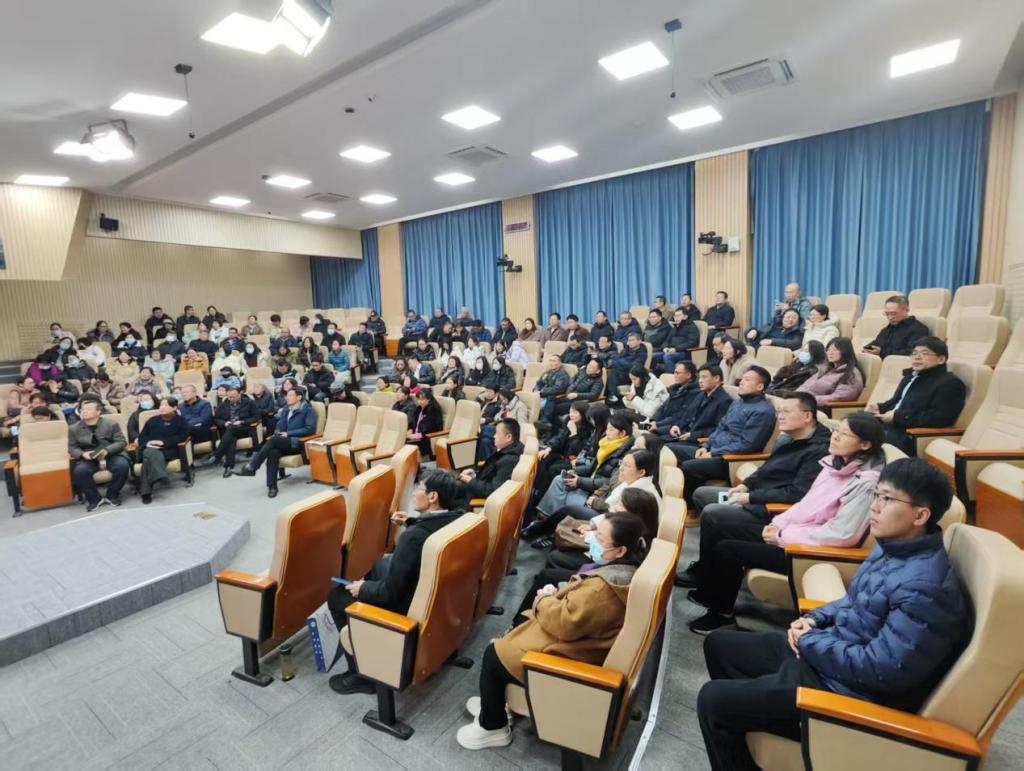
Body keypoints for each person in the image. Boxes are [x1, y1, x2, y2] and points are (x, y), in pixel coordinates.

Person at [696, 458, 969, 771]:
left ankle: (779, 720)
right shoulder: (894, 545)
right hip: (829, 657)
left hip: (847, 691)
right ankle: (759, 720)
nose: (874, 506)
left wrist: (809, 641)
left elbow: (883, 670)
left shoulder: (925, 588)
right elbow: (853, 601)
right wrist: (816, 619)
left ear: (920, 515)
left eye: (887, 499)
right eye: (876, 495)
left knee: (713, 701)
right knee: (719, 644)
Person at [456, 514, 647, 750]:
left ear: (620, 551)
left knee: (495, 653)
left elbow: (564, 623)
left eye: (600, 538)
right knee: (515, 632)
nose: (592, 540)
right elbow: (582, 604)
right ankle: (495, 704)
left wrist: (544, 600)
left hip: (573, 653)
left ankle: (492, 726)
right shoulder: (624, 570)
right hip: (582, 640)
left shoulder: (603, 589)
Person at [687, 411, 885, 634]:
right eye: (836, 430)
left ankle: (721, 615)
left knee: (727, 549)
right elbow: (805, 504)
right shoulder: (834, 464)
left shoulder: (866, 483)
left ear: (865, 444)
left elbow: (842, 534)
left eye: (845, 434)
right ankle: (707, 591)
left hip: (807, 552)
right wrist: (779, 524)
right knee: (721, 526)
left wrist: (783, 537)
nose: (835, 437)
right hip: (792, 534)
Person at [327, 470, 467, 695]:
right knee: (378, 566)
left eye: (419, 488)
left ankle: (363, 674)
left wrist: (363, 589)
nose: (414, 492)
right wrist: (411, 521)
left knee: (336, 597)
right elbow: (431, 527)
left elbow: (389, 593)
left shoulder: (413, 538)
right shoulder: (460, 517)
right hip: (439, 599)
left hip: (407, 605)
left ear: (433, 497)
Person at [524, 445, 662, 548]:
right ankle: (543, 531)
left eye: (627, 465)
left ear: (641, 472)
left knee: (569, 509)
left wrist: (594, 525)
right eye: (621, 463)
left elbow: (620, 521)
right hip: (606, 514)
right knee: (566, 501)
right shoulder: (631, 480)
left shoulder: (641, 494)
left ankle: (538, 531)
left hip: (616, 530)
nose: (621, 468)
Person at [674, 367, 777, 504]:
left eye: (747, 380)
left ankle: (689, 507)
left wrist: (713, 453)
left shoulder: (763, 411)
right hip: (714, 449)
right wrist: (706, 446)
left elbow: (747, 444)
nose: (741, 382)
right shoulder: (738, 402)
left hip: (729, 459)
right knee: (671, 450)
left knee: (689, 466)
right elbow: (721, 427)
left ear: (760, 386)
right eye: (742, 379)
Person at [867, 336, 967, 456]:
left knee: (862, 438)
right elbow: (897, 401)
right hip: (893, 425)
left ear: (941, 359)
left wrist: (898, 417)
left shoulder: (949, 383)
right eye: (914, 353)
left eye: (924, 353)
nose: (917, 357)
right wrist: (880, 407)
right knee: (855, 422)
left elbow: (939, 418)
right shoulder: (911, 376)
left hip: (910, 434)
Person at [534, 412, 635, 519]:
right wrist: (576, 470)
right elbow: (593, 467)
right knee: (559, 479)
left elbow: (608, 482)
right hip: (589, 482)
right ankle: (544, 517)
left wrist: (580, 481)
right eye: (607, 428)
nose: (607, 432)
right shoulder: (606, 443)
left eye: (611, 430)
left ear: (622, 433)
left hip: (596, 492)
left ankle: (549, 521)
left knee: (567, 495)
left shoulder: (625, 456)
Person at [235, 387, 316, 497]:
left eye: (291, 395)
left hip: (298, 442)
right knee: (273, 453)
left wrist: (288, 433)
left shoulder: (308, 410)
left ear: (299, 397)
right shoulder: (287, 409)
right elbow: (279, 426)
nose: (287, 398)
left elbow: (310, 429)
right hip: (285, 442)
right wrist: (283, 418)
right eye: (287, 395)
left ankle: (253, 466)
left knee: (273, 440)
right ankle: (272, 487)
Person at [68, 399, 130, 511]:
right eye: (82, 409)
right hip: (89, 458)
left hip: (111, 454)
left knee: (122, 465)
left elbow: (121, 442)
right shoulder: (73, 428)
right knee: (80, 472)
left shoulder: (111, 424)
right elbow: (72, 448)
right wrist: (82, 454)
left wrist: (107, 450)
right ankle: (94, 499)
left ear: (98, 412)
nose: (84, 411)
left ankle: (112, 495)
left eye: (88, 409)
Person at [532, 401, 594, 501]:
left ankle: (543, 497)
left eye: (575, 412)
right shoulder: (569, 422)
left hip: (575, 461)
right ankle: (535, 491)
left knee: (553, 469)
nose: (571, 414)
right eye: (570, 411)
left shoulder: (589, 431)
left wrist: (574, 433)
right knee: (542, 458)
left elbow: (579, 451)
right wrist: (548, 448)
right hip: (563, 454)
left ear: (583, 413)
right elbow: (559, 438)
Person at [664, 364, 733, 451]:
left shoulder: (724, 401)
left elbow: (717, 429)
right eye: (699, 377)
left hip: (699, 442)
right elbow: (686, 415)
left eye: (704, 377)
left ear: (716, 378)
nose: (700, 381)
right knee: (653, 441)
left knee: (663, 448)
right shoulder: (701, 395)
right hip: (684, 434)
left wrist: (693, 435)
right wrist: (677, 426)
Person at [136, 396, 190, 504]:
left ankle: (146, 493)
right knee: (150, 452)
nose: (162, 407)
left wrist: (163, 442)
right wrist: (149, 443)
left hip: (169, 450)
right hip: (150, 448)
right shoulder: (152, 420)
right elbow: (142, 436)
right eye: (161, 405)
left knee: (147, 462)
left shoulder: (180, 420)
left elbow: (183, 436)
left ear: (174, 407)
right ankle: (161, 476)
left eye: (166, 405)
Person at [457, 419, 524, 499]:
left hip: (472, 497)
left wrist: (470, 480)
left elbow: (493, 491)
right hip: (476, 486)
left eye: (497, 433)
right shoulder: (508, 450)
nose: (494, 436)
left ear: (508, 437)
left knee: (446, 486)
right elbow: (491, 474)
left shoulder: (509, 460)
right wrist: (474, 474)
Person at [199, 385, 258, 475]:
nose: (231, 399)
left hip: (244, 428)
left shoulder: (249, 403)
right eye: (229, 397)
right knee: (231, 438)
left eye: (234, 397)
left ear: (240, 394)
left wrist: (242, 421)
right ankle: (228, 467)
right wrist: (224, 423)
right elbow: (216, 419)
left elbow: (256, 417)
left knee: (231, 430)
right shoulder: (223, 404)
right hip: (229, 431)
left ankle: (217, 454)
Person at [801, 337, 864, 405]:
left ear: (845, 352)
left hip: (819, 406)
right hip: (805, 402)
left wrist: (808, 400)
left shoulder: (851, 374)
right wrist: (796, 396)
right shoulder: (825, 369)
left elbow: (840, 397)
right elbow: (806, 385)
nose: (830, 353)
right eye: (828, 350)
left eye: (835, 350)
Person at [863, 295, 931, 358]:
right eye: (887, 314)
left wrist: (881, 352)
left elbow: (912, 353)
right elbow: (875, 345)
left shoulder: (918, 329)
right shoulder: (886, 329)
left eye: (893, 313)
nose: (890, 317)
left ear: (906, 310)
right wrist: (867, 349)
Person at [646, 361, 700, 436]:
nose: (674, 375)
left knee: (646, 434)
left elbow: (678, 416)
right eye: (674, 372)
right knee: (636, 425)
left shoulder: (695, 393)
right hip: (663, 423)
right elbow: (662, 407)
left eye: (677, 373)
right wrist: (654, 420)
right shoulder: (676, 389)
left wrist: (657, 424)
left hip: (675, 428)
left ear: (688, 375)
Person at [652, 307, 700, 372]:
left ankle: (670, 376)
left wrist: (676, 349)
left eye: (678, 316)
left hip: (684, 352)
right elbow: (667, 340)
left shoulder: (691, 326)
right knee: (653, 356)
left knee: (668, 357)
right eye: (675, 316)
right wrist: (665, 347)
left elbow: (692, 342)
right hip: (671, 351)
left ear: (685, 317)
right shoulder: (675, 327)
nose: (676, 318)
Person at [605, 332, 647, 404]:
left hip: (631, 375)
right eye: (629, 340)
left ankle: (612, 395)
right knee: (608, 372)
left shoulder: (642, 353)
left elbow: (634, 366)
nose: (630, 342)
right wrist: (623, 363)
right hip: (620, 372)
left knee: (613, 372)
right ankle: (610, 395)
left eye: (632, 340)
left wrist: (621, 362)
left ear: (639, 341)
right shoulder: (626, 349)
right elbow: (614, 360)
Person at [407, 387, 444, 455]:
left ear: (429, 399)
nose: (420, 401)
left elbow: (429, 429)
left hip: (426, 438)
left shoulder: (433, 410)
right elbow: (415, 423)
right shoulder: (419, 408)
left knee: (404, 444)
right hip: (417, 435)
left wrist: (415, 436)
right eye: (418, 399)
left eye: (422, 399)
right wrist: (411, 430)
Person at [534, 354, 570, 421]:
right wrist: (536, 390)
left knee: (534, 406)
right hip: (541, 395)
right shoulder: (547, 373)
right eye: (550, 361)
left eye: (554, 361)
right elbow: (539, 383)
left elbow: (557, 388)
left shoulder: (563, 375)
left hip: (551, 398)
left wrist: (542, 392)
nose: (551, 363)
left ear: (560, 363)